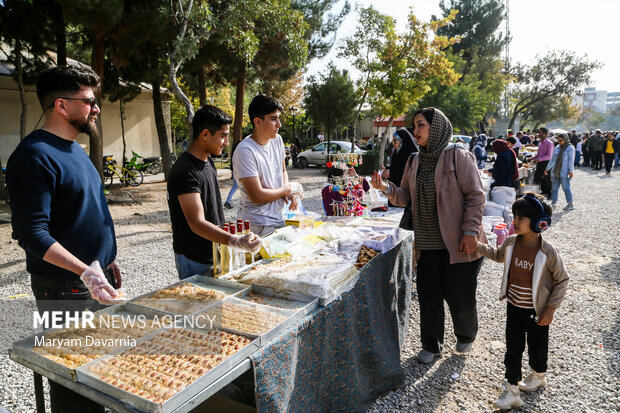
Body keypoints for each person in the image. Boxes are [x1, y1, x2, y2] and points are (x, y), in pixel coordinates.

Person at [6, 66, 122, 413]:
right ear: (61, 105)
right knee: (75, 383)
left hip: (95, 281)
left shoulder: (74, 149)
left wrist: (106, 258)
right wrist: (85, 271)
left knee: (99, 372)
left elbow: (83, 213)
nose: (96, 108)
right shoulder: (33, 156)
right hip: (64, 289)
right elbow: (31, 233)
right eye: (89, 101)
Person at [371, 107, 486, 364]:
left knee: (460, 296)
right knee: (429, 295)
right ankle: (431, 345)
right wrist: (385, 188)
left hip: (457, 243)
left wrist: (470, 232)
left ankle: (466, 335)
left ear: (437, 128)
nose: (416, 130)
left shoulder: (458, 156)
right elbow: (405, 197)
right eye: (415, 126)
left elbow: (476, 196)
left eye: (421, 125)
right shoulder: (414, 160)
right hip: (426, 242)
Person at [477, 193, 569, 410]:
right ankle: (511, 390)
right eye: (515, 216)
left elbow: (562, 279)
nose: (515, 222)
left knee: (538, 346)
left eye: (521, 219)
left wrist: (551, 309)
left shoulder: (548, 252)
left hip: (536, 311)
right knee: (513, 349)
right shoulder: (510, 242)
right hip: (514, 308)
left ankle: (538, 375)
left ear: (540, 223)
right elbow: (498, 255)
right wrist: (478, 246)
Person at [167, 106, 261, 279]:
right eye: (223, 136)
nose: (226, 142)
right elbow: (196, 223)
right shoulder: (185, 170)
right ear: (205, 135)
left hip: (214, 251)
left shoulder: (207, 162)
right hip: (194, 257)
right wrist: (234, 240)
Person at [233, 95, 303, 236]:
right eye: (273, 119)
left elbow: (283, 171)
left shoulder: (277, 140)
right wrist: (286, 189)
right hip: (257, 225)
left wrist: (288, 193)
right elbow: (257, 195)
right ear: (257, 122)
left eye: (278, 118)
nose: (279, 124)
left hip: (279, 219)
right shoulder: (245, 151)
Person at [543, 133, 575, 211]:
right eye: (558, 140)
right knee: (554, 188)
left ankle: (570, 204)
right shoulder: (557, 147)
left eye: (561, 140)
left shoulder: (570, 148)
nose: (559, 142)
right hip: (555, 171)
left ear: (566, 140)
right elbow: (552, 159)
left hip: (564, 172)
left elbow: (571, 161)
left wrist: (571, 171)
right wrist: (547, 168)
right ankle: (554, 202)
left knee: (566, 187)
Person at [531, 127, 553, 199]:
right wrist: (532, 158)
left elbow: (549, 156)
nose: (539, 134)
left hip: (546, 163)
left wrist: (539, 159)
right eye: (539, 133)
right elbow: (538, 154)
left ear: (545, 134)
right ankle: (540, 193)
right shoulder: (540, 143)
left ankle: (549, 194)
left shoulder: (550, 143)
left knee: (546, 179)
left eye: (540, 133)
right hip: (540, 163)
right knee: (537, 178)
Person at [224, 140, 241, 209]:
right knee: (235, 187)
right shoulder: (240, 147)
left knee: (236, 186)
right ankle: (227, 201)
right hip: (237, 170)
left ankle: (228, 201)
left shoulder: (237, 146)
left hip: (235, 169)